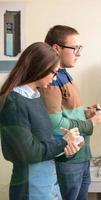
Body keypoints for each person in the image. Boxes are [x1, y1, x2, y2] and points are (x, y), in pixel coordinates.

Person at [0, 42, 83, 200]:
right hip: (30, 188)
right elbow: (27, 152)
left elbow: (43, 144)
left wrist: (68, 148)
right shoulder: (15, 102)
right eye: (54, 72)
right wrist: (62, 142)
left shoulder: (35, 96)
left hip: (47, 183)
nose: (55, 77)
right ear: (39, 68)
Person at [39, 25, 101, 200]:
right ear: (57, 48)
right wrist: (90, 124)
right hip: (69, 158)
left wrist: (87, 113)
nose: (78, 53)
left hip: (81, 155)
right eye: (75, 48)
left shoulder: (63, 75)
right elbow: (55, 124)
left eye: (80, 48)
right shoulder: (51, 79)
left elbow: (67, 112)